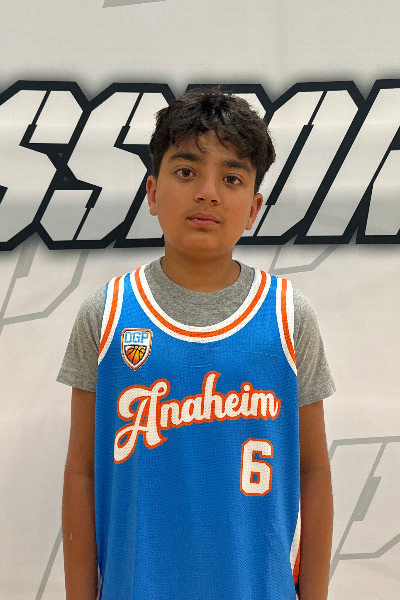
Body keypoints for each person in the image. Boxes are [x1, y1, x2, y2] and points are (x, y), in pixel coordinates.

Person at [59, 87, 335, 600]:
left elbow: (314, 471)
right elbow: (81, 472)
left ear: (253, 208)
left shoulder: (288, 317)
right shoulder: (107, 315)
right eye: (186, 171)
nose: (208, 193)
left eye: (231, 178)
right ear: (152, 192)